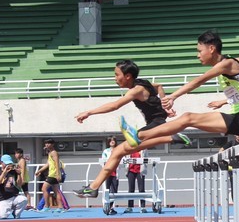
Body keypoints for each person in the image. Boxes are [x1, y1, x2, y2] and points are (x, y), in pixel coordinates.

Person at [118, 30, 239, 153]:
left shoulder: (226, 64)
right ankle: (140, 136)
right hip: (235, 117)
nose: (198, 55)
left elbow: (200, 80)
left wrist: (174, 95)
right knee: (187, 118)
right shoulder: (231, 62)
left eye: (199, 50)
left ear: (211, 48)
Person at [73, 59, 190, 199]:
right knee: (117, 152)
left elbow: (115, 105)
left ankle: (154, 136)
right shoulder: (143, 83)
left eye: (117, 75)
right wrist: (166, 106)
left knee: (121, 149)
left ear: (127, 76)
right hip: (156, 123)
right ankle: (172, 138)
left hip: (156, 125)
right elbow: (159, 86)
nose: (115, 78)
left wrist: (89, 112)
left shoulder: (137, 90)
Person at [35, 138, 65, 212]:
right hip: (52, 174)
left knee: (44, 189)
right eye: (46, 143)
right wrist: (40, 171)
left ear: (52, 144)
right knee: (56, 191)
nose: (47, 145)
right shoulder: (50, 153)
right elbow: (48, 164)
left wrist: (58, 174)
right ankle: (60, 207)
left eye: (49, 143)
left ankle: (47, 206)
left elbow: (57, 163)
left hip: (53, 174)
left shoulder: (54, 153)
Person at [0, 154, 27, 219]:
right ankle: (0, 204)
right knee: (2, 216)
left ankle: (15, 213)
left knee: (24, 199)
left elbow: (19, 184)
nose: (8, 165)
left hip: (14, 196)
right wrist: (4, 173)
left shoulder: (14, 172)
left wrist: (19, 174)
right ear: (1, 163)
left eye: (9, 163)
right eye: (6, 164)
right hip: (4, 198)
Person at [123, 149, 147, 213]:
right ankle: (130, 207)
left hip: (140, 171)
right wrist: (126, 169)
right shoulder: (129, 149)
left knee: (141, 189)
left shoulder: (143, 149)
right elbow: (125, 159)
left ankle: (143, 207)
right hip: (131, 170)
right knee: (131, 189)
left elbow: (146, 159)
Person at [101, 136, 120, 214]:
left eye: (113, 140)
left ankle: (111, 207)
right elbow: (103, 161)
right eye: (110, 140)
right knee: (107, 190)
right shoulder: (106, 151)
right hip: (108, 172)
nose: (112, 142)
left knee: (115, 190)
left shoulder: (118, 150)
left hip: (115, 172)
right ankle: (107, 207)